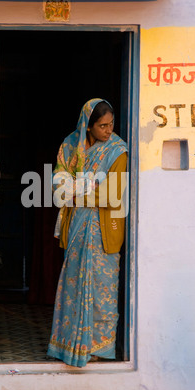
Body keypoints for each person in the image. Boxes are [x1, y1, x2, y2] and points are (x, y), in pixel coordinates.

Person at [47, 98, 128, 367]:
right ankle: (70, 345)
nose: (108, 130)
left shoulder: (117, 151)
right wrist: (78, 188)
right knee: (74, 284)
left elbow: (113, 194)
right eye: (102, 126)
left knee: (102, 287)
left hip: (105, 227)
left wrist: (76, 191)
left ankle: (100, 348)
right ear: (88, 126)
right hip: (78, 227)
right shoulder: (71, 145)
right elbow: (59, 182)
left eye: (111, 124)